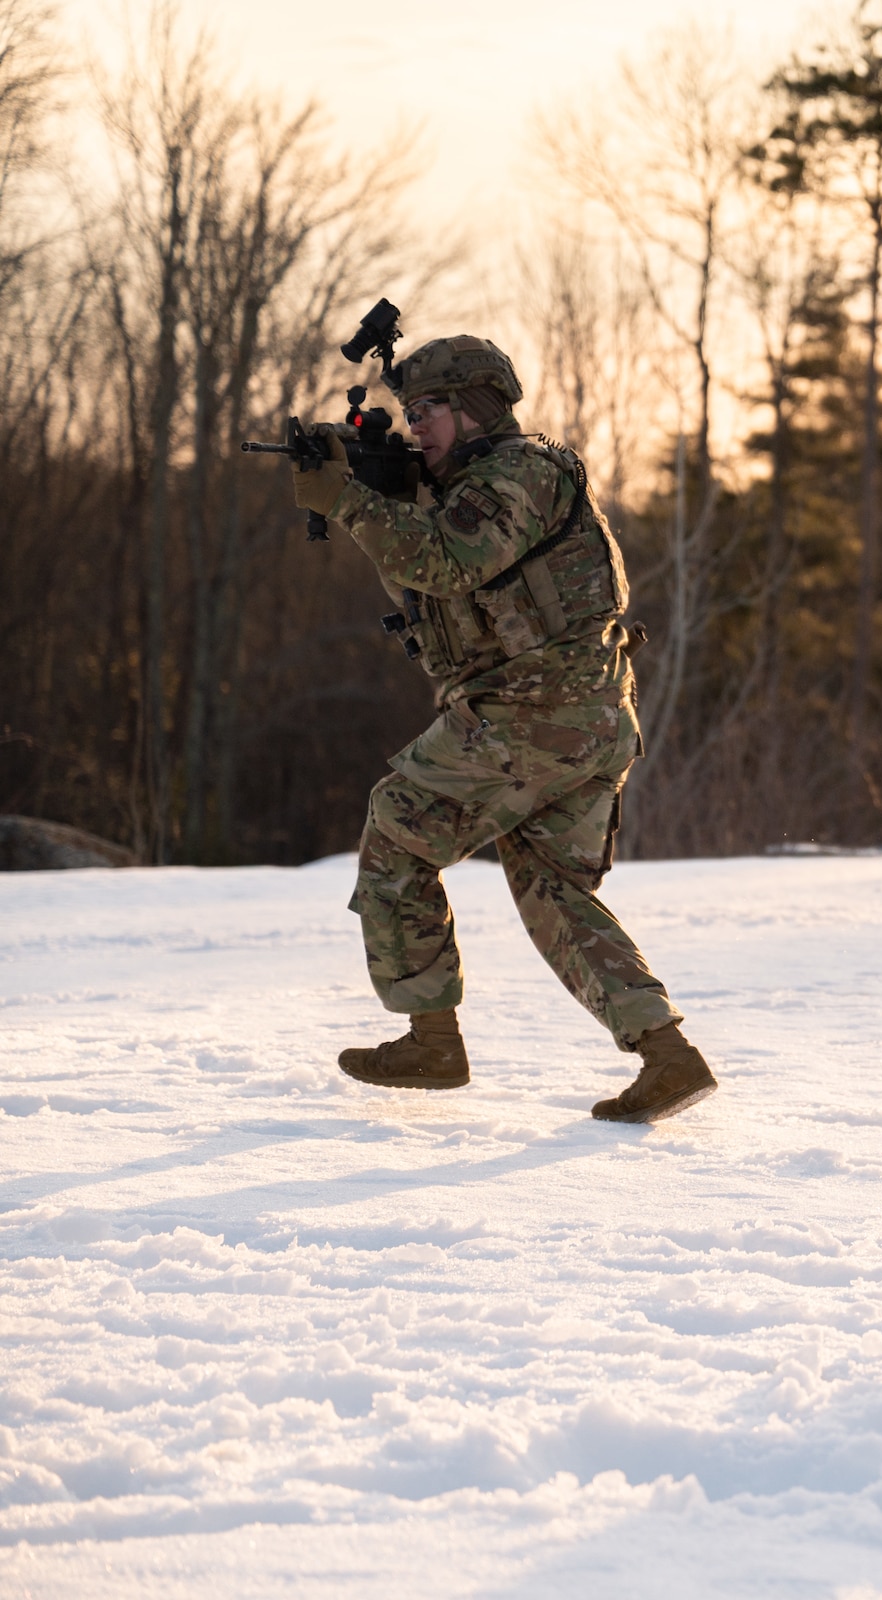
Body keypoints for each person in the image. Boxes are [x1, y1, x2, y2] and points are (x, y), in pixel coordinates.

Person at [292, 333, 715, 1124]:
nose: (416, 426)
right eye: (408, 413)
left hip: (536, 716)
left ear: (476, 406)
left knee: (397, 832)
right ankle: (668, 1057)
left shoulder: (516, 474)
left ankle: (432, 1040)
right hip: (580, 719)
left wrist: (346, 500)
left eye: (428, 411)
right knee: (551, 888)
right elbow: (442, 559)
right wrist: (370, 477)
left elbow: (449, 562)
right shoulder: (482, 482)